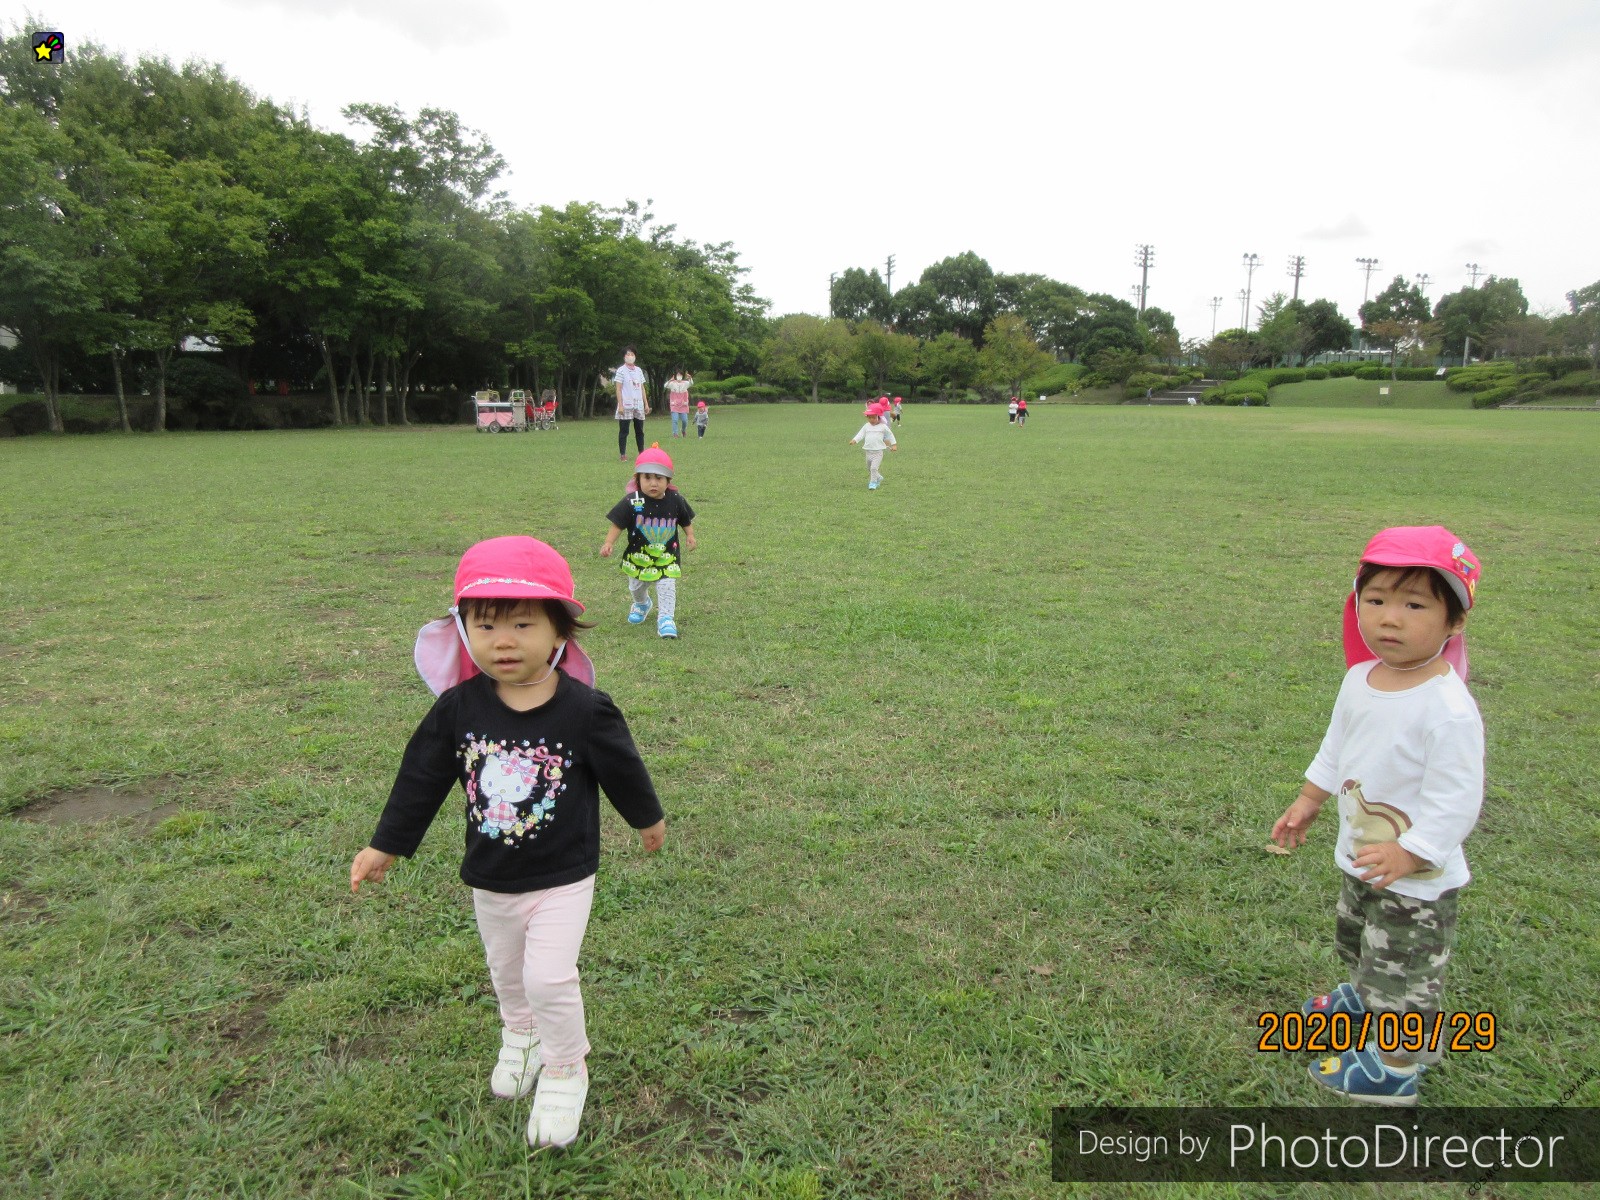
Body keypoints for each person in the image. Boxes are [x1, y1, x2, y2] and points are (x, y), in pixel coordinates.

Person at [349, 536, 667, 1148]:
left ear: (560, 633)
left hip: (564, 876)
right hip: (490, 876)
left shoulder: (585, 710)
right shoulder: (458, 708)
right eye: (485, 624)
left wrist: (646, 820)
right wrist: (385, 844)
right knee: (508, 973)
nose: (503, 640)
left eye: (523, 623)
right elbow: (421, 779)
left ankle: (566, 1067)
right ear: (464, 630)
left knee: (549, 975)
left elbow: (624, 770)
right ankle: (520, 1035)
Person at [1270, 526, 1485, 1107]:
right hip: (1363, 857)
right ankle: (1363, 1003)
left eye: (1414, 604)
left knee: (1407, 974)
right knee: (1359, 939)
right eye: (1377, 600)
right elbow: (1336, 749)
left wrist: (1411, 851)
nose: (1390, 618)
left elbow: (1457, 800)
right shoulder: (1359, 679)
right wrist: (1309, 800)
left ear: (1453, 620)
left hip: (1414, 878)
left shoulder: (1447, 709)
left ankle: (1395, 1069)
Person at [600, 444, 697, 639]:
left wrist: (690, 535)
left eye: (659, 478)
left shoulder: (676, 499)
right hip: (638, 557)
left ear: (668, 480)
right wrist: (609, 542)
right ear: (637, 479)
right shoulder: (632, 501)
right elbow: (618, 524)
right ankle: (642, 604)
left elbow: (685, 519)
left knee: (667, 586)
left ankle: (666, 618)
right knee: (636, 587)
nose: (653, 483)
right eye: (647, 478)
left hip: (667, 556)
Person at [848, 399, 898, 490]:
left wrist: (894, 445)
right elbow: (861, 434)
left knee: (874, 468)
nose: (871, 420)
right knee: (869, 468)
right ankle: (878, 477)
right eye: (869, 417)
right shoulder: (866, 426)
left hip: (878, 452)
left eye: (873, 418)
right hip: (868, 451)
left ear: (878, 417)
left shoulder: (883, 427)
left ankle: (873, 483)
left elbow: (890, 435)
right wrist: (854, 440)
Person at [612, 347, 649, 461]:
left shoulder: (638, 370)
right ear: (624, 357)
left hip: (638, 404)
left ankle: (641, 453)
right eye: (628, 354)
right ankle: (623, 454)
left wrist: (646, 404)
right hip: (626, 404)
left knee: (640, 431)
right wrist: (621, 405)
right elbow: (618, 389)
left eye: (632, 354)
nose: (630, 356)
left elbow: (642, 388)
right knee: (624, 431)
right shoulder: (621, 370)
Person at [665, 370, 694, 438]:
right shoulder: (672, 383)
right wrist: (670, 380)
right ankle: (675, 433)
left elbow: (691, 383)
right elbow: (665, 385)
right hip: (674, 405)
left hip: (683, 405)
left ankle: (683, 430)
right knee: (675, 420)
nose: (679, 376)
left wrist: (690, 378)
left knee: (685, 421)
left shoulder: (685, 383)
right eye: (677, 375)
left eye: (680, 375)